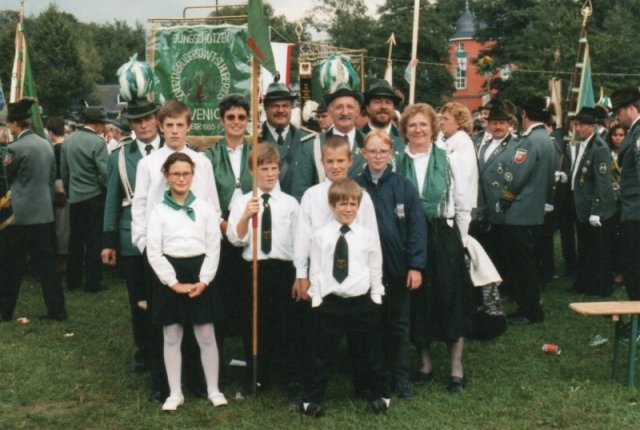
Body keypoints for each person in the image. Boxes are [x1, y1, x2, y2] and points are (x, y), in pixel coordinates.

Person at [131, 100, 220, 403]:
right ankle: (164, 384)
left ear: (188, 126)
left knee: (197, 319)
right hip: (160, 250)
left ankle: (197, 380)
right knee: (164, 321)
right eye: (168, 125)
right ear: (160, 126)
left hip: (193, 250)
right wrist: (143, 243)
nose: (174, 131)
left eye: (180, 125)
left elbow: (210, 202)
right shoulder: (149, 163)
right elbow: (141, 205)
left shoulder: (202, 163)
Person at [293, 135, 380, 399]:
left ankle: (364, 386)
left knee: (361, 341)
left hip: (355, 278)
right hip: (322, 278)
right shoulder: (311, 195)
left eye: (340, 160)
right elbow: (302, 236)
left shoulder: (361, 196)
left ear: (351, 161)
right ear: (322, 163)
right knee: (318, 340)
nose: (335, 166)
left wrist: (374, 285)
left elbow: (372, 239)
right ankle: (311, 389)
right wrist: (301, 274)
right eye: (329, 161)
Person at [396, 103, 474, 393]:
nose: (417, 130)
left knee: (451, 297)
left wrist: (461, 242)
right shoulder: (397, 162)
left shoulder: (450, 159)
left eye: (423, 125)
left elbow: (464, 205)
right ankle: (425, 362)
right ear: (405, 130)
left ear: (433, 129)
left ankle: (456, 367)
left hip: (444, 235)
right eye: (412, 125)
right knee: (418, 300)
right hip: (410, 237)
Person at [297, 178, 389, 417]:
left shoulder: (367, 236)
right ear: (331, 206)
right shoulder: (320, 236)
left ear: (358, 206)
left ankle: (378, 394)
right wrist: (316, 298)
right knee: (321, 354)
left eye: (352, 204)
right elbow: (315, 269)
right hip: (331, 303)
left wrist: (376, 295)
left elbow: (375, 265)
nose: (347, 209)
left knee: (369, 352)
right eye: (342, 204)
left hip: (361, 302)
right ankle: (311, 399)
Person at [146, 152, 227, 411]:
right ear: (167, 178)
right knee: (171, 334)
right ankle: (175, 392)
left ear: (193, 176)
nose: (181, 178)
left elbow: (214, 248)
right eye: (175, 174)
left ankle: (213, 389)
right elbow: (154, 251)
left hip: (200, 272)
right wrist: (172, 282)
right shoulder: (158, 212)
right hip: (170, 274)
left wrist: (204, 280)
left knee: (205, 333)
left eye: (186, 173)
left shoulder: (204, 209)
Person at [354, 130, 426, 399]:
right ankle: (372, 379)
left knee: (399, 325)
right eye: (372, 151)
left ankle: (401, 379)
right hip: (365, 271)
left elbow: (417, 228)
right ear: (363, 153)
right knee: (370, 327)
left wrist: (415, 265)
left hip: (397, 270)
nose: (377, 156)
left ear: (391, 154)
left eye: (383, 151)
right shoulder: (354, 186)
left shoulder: (403, 186)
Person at [227, 143, 300, 392]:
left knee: (285, 323)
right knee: (254, 323)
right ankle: (257, 374)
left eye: (273, 168)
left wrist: (298, 274)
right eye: (263, 168)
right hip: (254, 270)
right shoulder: (242, 202)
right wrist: (246, 216)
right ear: (252, 171)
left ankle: (289, 375)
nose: (269, 174)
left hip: (282, 269)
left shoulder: (290, 204)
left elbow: (298, 242)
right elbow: (236, 239)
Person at [101, 98, 161, 374]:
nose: (144, 125)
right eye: (137, 121)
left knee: (167, 295)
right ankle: (144, 350)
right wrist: (108, 241)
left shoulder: (173, 149)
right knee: (139, 297)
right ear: (131, 125)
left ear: (157, 119)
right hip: (131, 238)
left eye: (148, 118)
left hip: (169, 237)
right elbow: (112, 199)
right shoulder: (121, 155)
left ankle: (170, 348)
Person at [202, 94, 253, 391]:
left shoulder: (257, 151)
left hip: (250, 235)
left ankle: (252, 368)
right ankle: (216, 369)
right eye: (231, 117)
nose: (236, 122)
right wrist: (224, 226)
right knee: (219, 302)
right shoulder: (208, 156)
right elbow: (206, 199)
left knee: (248, 303)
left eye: (241, 118)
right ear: (222, 121)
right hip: (220, 235)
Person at [0, 99, 66, 322]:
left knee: (10, 267)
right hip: (44, 213)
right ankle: (57, 310)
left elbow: (6, 178)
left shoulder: (15, 149)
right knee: (48, 268)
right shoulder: (46, 143)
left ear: (15, 124)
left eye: (9, 125)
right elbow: (51, 175)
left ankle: (5, 311)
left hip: (19, 216)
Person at [497, 96, 556, 324]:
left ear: (524, 115)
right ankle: (529, 307)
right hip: (536, 208)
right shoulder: (546, 139)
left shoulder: (530, 141)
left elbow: (515, 177)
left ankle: (528, 310)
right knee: (528, 262)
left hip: (520, 210)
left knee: (522, 265)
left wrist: (503, 201)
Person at [567, 107, 616, 297]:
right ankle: (584, 282)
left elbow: (603, 182)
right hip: (582, 205)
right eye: (576, 125)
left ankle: (601, 287)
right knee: (586, 247)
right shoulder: (584, 144)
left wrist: (597, 209)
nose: (578, 129)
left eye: (582, 125)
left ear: (593, 127)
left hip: (594, 207)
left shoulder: (599, 148)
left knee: (598, 250)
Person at [60, 106, 109, 292]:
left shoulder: (69, 140)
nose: (104, 126)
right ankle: (92, 283)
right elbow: (104, 173)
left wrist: (69, 190)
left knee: (76, 240)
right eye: (102, 123)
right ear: (96, 124)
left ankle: (72, 281)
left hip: (76, 197)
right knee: (94, 241)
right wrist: (105, 190)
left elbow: (64, 171)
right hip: (95, 197)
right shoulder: (98, 143)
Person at [295, 83, 368, 190]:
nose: (345, 112)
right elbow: (300, 190)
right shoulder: (312, 146)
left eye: (350, 107)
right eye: (339, 107)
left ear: (357, 112)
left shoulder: (369, 143)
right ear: (330, 112)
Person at [260, 82, 315, 200]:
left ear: (291, 108)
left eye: (285, 105)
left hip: (299, 212)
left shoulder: (309, 140)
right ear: (265, 108)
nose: (281, 110)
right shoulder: (255, 141)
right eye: (275, 106)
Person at [611, 87, 640, 300]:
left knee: (634, 269)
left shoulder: (638, 134)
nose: (616, 117)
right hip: (632, 211)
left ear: (631, 109)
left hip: (636, 213)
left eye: (618, 112)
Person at [46, 117, 70, 272]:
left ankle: (63, 260)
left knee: (61, 227)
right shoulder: (67, 147)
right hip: (66, 186)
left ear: (50, 133)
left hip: (59, 186)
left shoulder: (57, 149)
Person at [360, 79, 405, 154]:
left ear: (393, 107)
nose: (383, 107)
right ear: (367, 107)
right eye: (377, 102)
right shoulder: (356, 138)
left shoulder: (405, 139)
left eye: (388, 102)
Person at [607, 123, 625, 286]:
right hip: (610, 200)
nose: (618, 138)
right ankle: (613, 267)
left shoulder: (629, 153)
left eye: (621, 135)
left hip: (626, 201)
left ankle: (622, 271)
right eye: (615, 135)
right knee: (611, 236)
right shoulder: (607, 153)